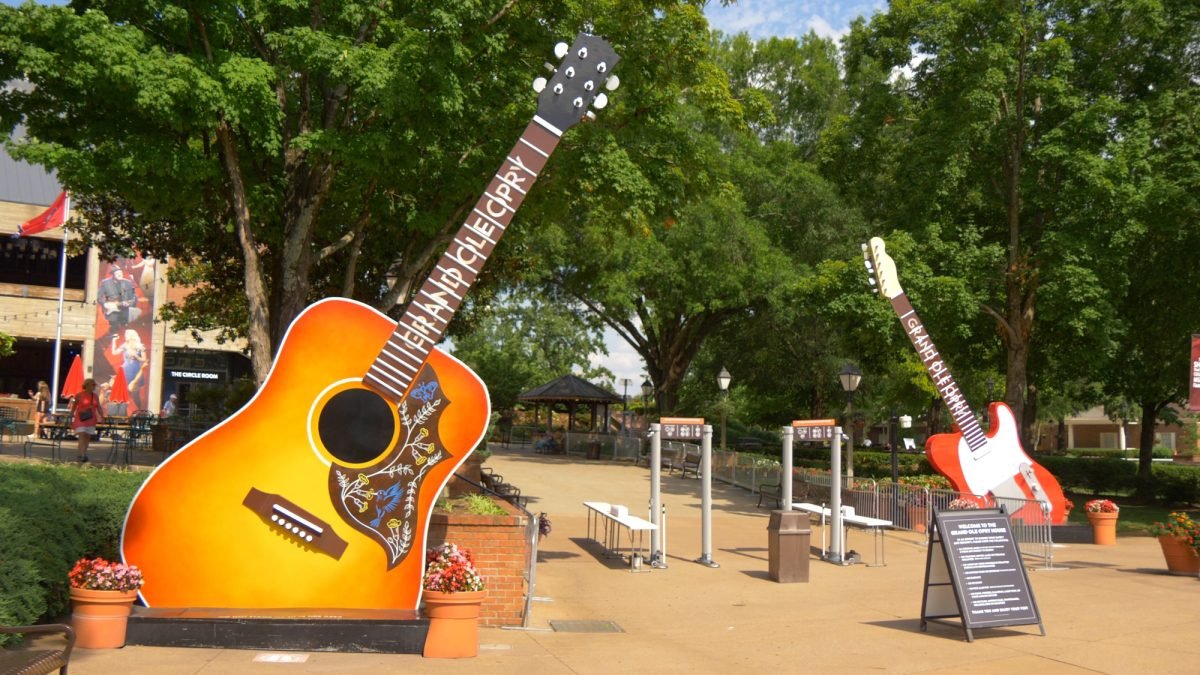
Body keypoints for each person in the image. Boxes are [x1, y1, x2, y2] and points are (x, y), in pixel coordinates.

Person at [97, 266, 142, 336]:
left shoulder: (128, 283)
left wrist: (130, 303)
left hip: (124, 311)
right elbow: (98, 297)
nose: (120, 275)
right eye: (117, 273)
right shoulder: (105, 283)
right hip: (112, 311)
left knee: (124, 331)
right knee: (114, 331)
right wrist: (106, 304)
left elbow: (134, 297)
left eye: (121, 273)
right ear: (113, 275)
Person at [67, 378, 104, 463]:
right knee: (82, 435)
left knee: (87, 437)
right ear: (87, 385)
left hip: (91, 419)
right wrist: (70, 417)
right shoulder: (79, 395)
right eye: (93, 385)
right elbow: (74, 407)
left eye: (94, 385)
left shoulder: (95, 396)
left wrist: (102, 416)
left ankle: (83, 453)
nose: (94, 386)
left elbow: (98, 407)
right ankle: (82, 455)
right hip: (81, 418)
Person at [112, 329, 148, 404]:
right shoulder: (124, 346)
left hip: (135, 370)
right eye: (125, 335)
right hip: (126, 370)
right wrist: (114, 340)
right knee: (124, 390)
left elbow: (144, 359)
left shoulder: (140, 346)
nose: (125, 336)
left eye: (127, 335)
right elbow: (114, 352)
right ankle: (123, 405)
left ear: (132, 336)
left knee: (135, 392)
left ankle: (137, 407)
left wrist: (136, 356)